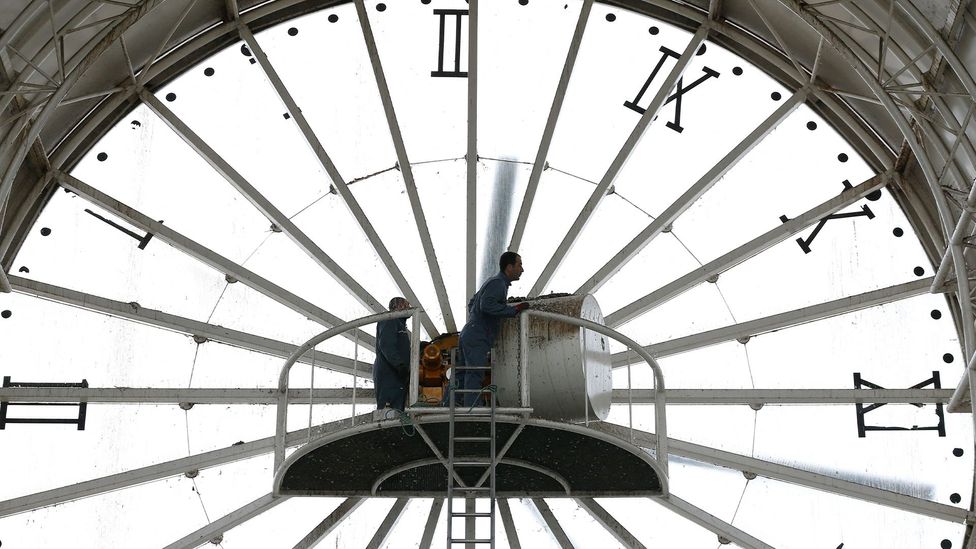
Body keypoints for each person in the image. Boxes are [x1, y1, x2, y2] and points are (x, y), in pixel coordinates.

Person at [455, 252, 530, 406]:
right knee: (475, 373)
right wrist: (513, 310)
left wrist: (476, 320)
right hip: (478, 335)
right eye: (519, 265)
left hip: (470, 332)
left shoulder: (493, 282)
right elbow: (486, 305)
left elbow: (473, 303)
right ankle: (473, 411)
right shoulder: (498, 284)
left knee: (461, 373)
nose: (522, 269)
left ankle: (450, 406)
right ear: (509, 267)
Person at [373, 297, 411, 411]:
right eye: (407, 305)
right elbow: (386, 345)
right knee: (389, 408)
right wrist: (399, 365)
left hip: (396, 373)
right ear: (399, 306)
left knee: (397, 408)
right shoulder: (390, 320)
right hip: (390, 372)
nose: (409, 308)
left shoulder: (399, 324)